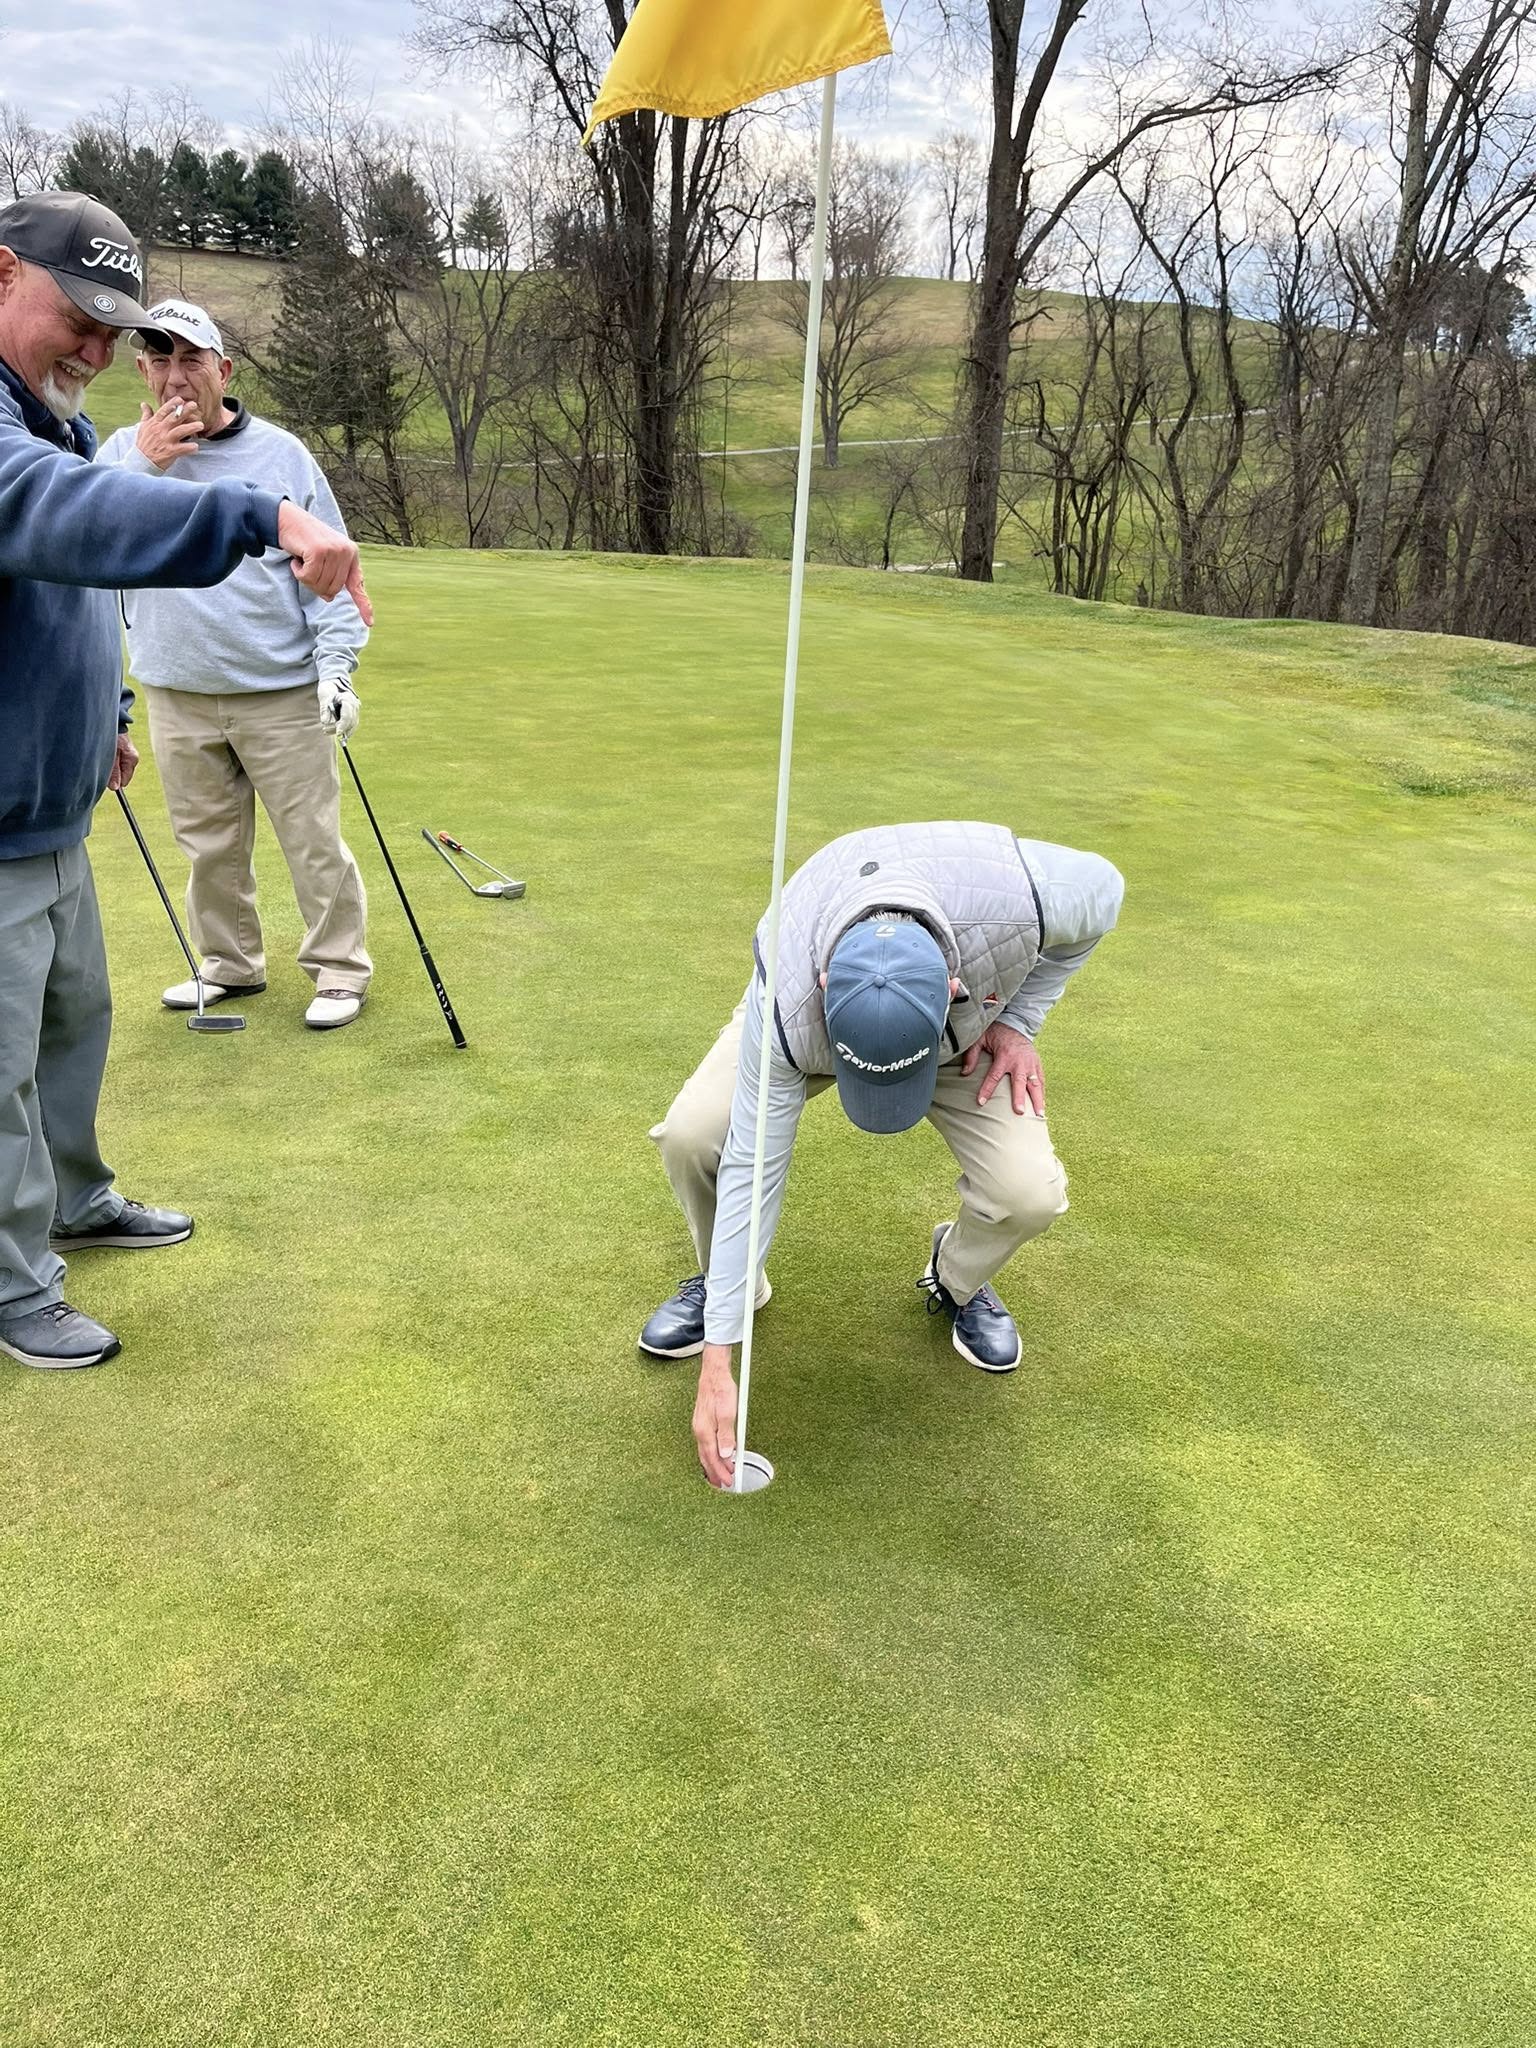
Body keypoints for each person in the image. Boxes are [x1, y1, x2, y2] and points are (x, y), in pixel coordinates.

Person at [0, 191, 371, 1372]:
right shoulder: (36, 446)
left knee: (73, 1023)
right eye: (83, 319)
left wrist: (101, 717)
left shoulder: (45, 417)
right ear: (2, 274)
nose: (104, 354)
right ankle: (14, 1284)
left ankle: (75, 1197)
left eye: (120, 332)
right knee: (0, 1069)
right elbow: (66, 516)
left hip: (49, 806)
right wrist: (257, 515)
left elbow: (70, 598)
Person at [639, 821, 1124, 1488]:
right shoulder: (789, 998)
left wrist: (1017, 1021)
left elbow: (1108, 890)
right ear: (823, 981)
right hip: (810, 1032)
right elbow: (753, 1166)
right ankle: (729, 1287)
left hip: (959, 1035)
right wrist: (719, 1357)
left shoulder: (1027, 898)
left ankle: (955, 1279)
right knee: (693, 1134)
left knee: (1028, 1194)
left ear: (952, 984)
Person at [97, 299, 372, 1031]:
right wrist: (147, 464)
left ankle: (339, 970)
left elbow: (331, 572)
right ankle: (228, 964)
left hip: (279, 691)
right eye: (160, 359)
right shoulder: (121, 456)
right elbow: (91, 555)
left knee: (312, 842)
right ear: (142, 370)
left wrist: (336, 669)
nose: (176, 376)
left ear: (223, 368)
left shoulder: (282, 455)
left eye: (191, 359)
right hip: (175, 690)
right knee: (208, 848)